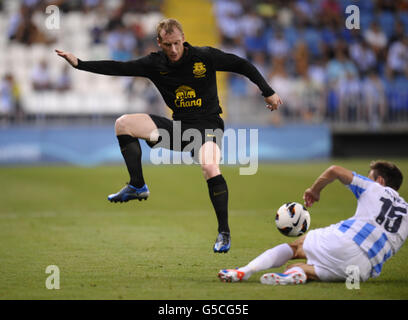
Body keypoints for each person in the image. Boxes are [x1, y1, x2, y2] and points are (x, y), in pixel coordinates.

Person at [55, 18, 283, 253]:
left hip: (208, 128)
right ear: (159, 43)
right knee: (123, 124)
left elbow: (242, 65)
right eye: (167, 45)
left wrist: (268, 91)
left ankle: (224, 233)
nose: (173, 50)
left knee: (210, 168)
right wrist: (79, 64)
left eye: (176, 43)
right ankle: (137, 185)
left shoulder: (204, 57)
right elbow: (119, 68)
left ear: (183, 38)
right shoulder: (154, 63)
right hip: (179, 129)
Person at [218, 160, 407, 284]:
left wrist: (314, 191)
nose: (368, 179)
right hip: (359, 272)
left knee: (296, 248)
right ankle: (296, 275)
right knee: (302, 269)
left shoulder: (375, 189)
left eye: (371, 176)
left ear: (380, 181)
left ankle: (244, 271)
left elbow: (335, 171)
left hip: (345, 244)